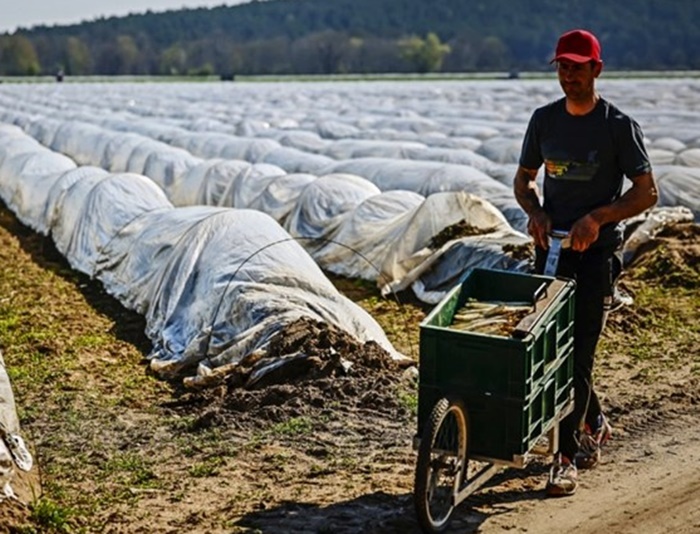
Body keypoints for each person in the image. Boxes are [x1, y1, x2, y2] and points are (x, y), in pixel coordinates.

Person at [513, 29, 658, 497]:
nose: (569, 75)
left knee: (578, 352)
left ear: (597, 69)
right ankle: (594, 418)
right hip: (551, 252)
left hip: (596, 255)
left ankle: (565, 457)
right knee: (551, 350)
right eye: (562, 67)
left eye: (578, 66)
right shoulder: (544, 122)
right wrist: (535, 211)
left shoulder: (617, 126)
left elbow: (646, 192)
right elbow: (524, 180)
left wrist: (599, 217)